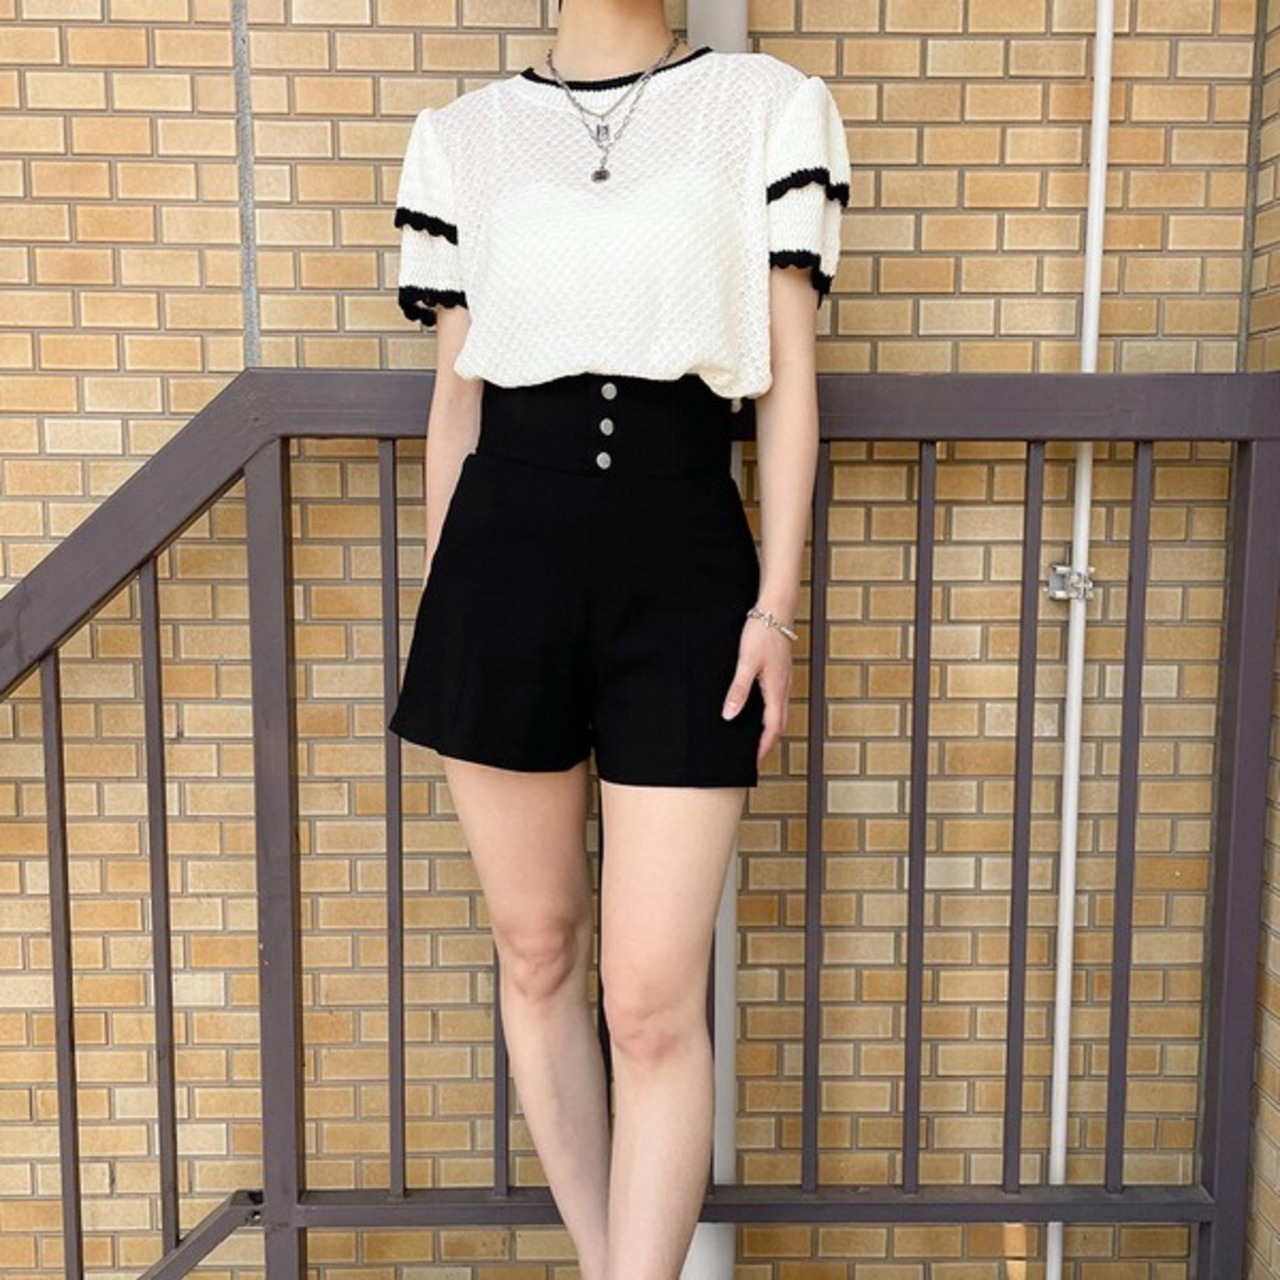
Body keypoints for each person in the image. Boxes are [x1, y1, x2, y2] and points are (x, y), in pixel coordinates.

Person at [387, 1, 849, 1276]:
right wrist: (451, 600)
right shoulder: (464, 137)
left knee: (649, 998)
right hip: (501, 561)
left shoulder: (764, 107)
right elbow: (454, 402)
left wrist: (773, 606)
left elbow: (789, 387)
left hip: (684, 560)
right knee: (537, 950)